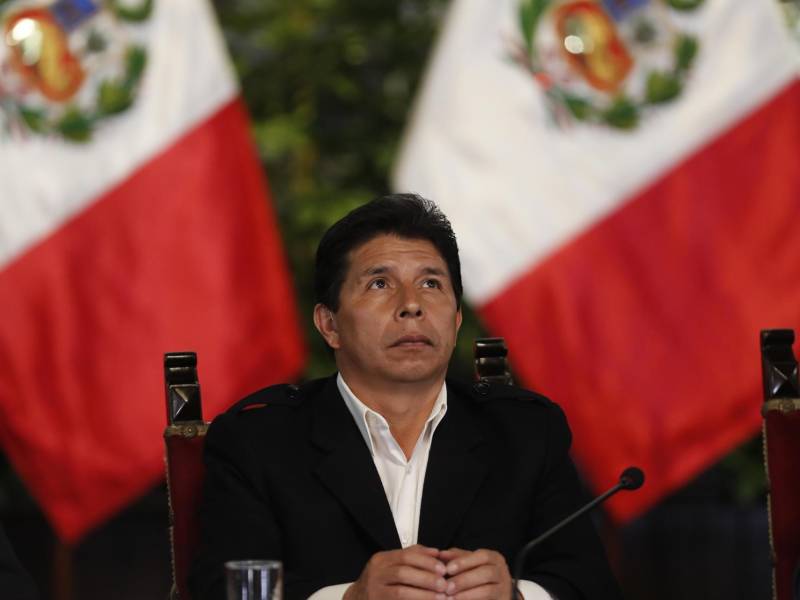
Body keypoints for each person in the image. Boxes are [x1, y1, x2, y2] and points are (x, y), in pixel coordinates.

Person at [189, 194, 622, 600]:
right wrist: (348, 598)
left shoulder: (527, 433)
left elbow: (589, 584)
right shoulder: (259, 440)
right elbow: (220, 590)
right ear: (329, 325)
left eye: (431, 284)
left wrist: (516, 594)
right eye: (379, 284)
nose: (411, 305)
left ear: (454, 321)